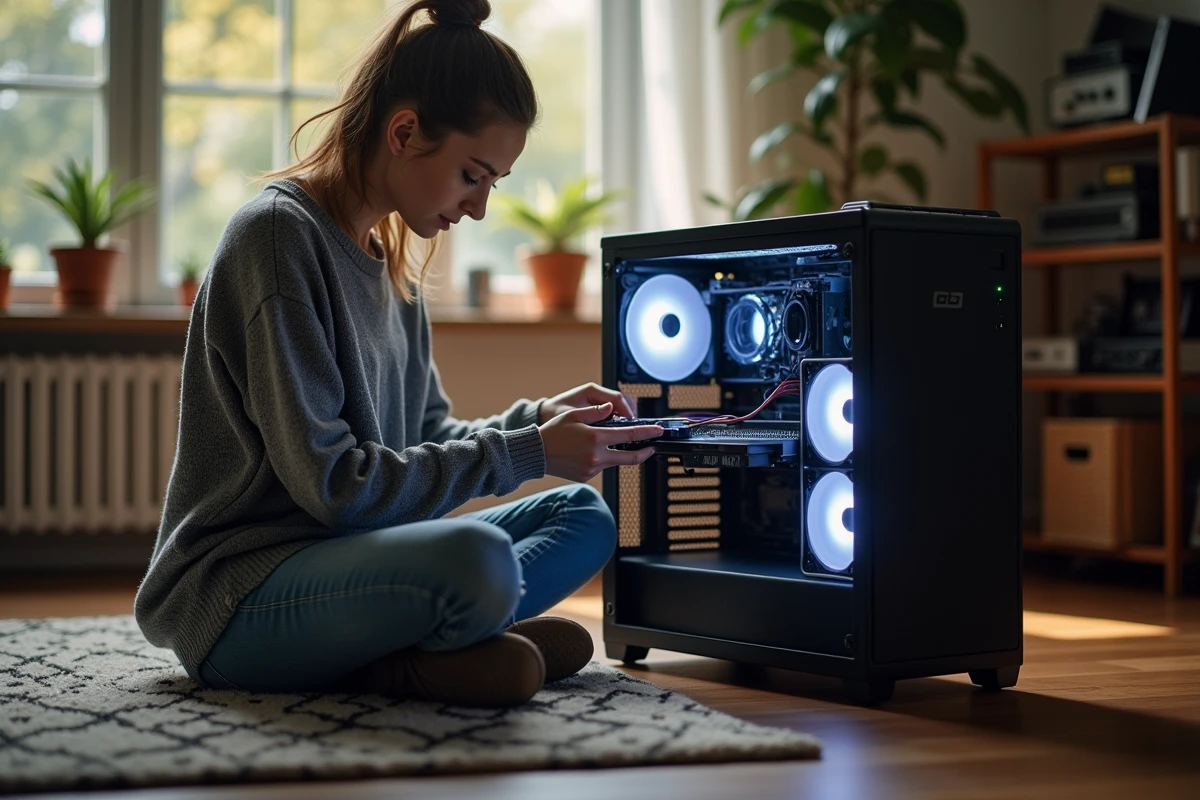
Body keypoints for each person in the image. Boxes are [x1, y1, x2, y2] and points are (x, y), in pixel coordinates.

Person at [133, 0, 663, 708]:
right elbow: (337, 489)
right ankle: (418, 651)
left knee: (585, 516)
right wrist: (531, 450)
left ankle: (420, 643)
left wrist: (542, 420)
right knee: (477, 560)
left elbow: (430, 438)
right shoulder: (276, 241)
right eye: (473, 175)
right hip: (242, 592)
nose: (478, 208)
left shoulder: (392, 260)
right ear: (405, 131)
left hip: (351, 564)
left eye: (492, 184)